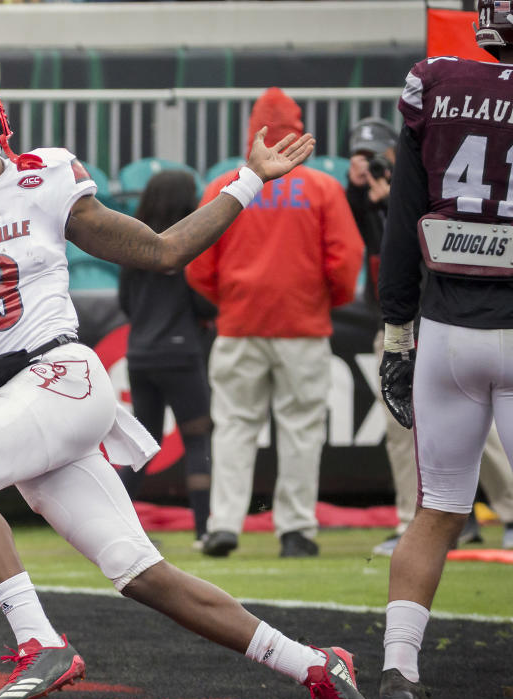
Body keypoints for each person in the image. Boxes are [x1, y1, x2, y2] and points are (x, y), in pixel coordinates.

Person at [0, 60, 373, 699]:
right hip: (11, 396)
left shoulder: (45, 174)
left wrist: (249, 180)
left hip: (62, 372)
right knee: (142, 573)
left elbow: (165, 249)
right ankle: (318, 665)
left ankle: (38, 641)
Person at [376, 0, 513, 699]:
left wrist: (397, 330)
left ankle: (400, 665)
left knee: (436, 508)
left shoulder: (437, 83)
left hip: (448, 330)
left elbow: (404, 219)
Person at [186, 88, 363, 559]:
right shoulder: (323, 188)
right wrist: (325, 301)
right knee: (302, 428)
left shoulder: (226, 184)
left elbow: (198, 262)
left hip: (240, 324)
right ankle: (296, 531)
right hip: (302, 326)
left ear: (254, 130)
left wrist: (232, 299)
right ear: (297, 128)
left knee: (234, 427)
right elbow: (347, 260)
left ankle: (224, 525)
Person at [346, 117, 513, 556]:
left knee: (484, 430)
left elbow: (427, 243)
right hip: (398, 319)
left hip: (441, 315)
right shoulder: (364, 196)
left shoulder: (431, 177)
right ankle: (415, 521)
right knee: (402, 426)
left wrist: (392, 201)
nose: (372, 164)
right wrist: (367, 198)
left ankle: (509, 513)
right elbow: (378, 248)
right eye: (361, 156)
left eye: (378, 155)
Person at [116, 169, 214, 542]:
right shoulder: (188, 246)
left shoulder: (129, 244)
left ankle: (115, 522)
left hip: (140, 355)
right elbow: (203, 301)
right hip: (181, 355)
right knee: (197, 438)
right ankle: (205, 529)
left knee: (145, 443)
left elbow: (126, 302)